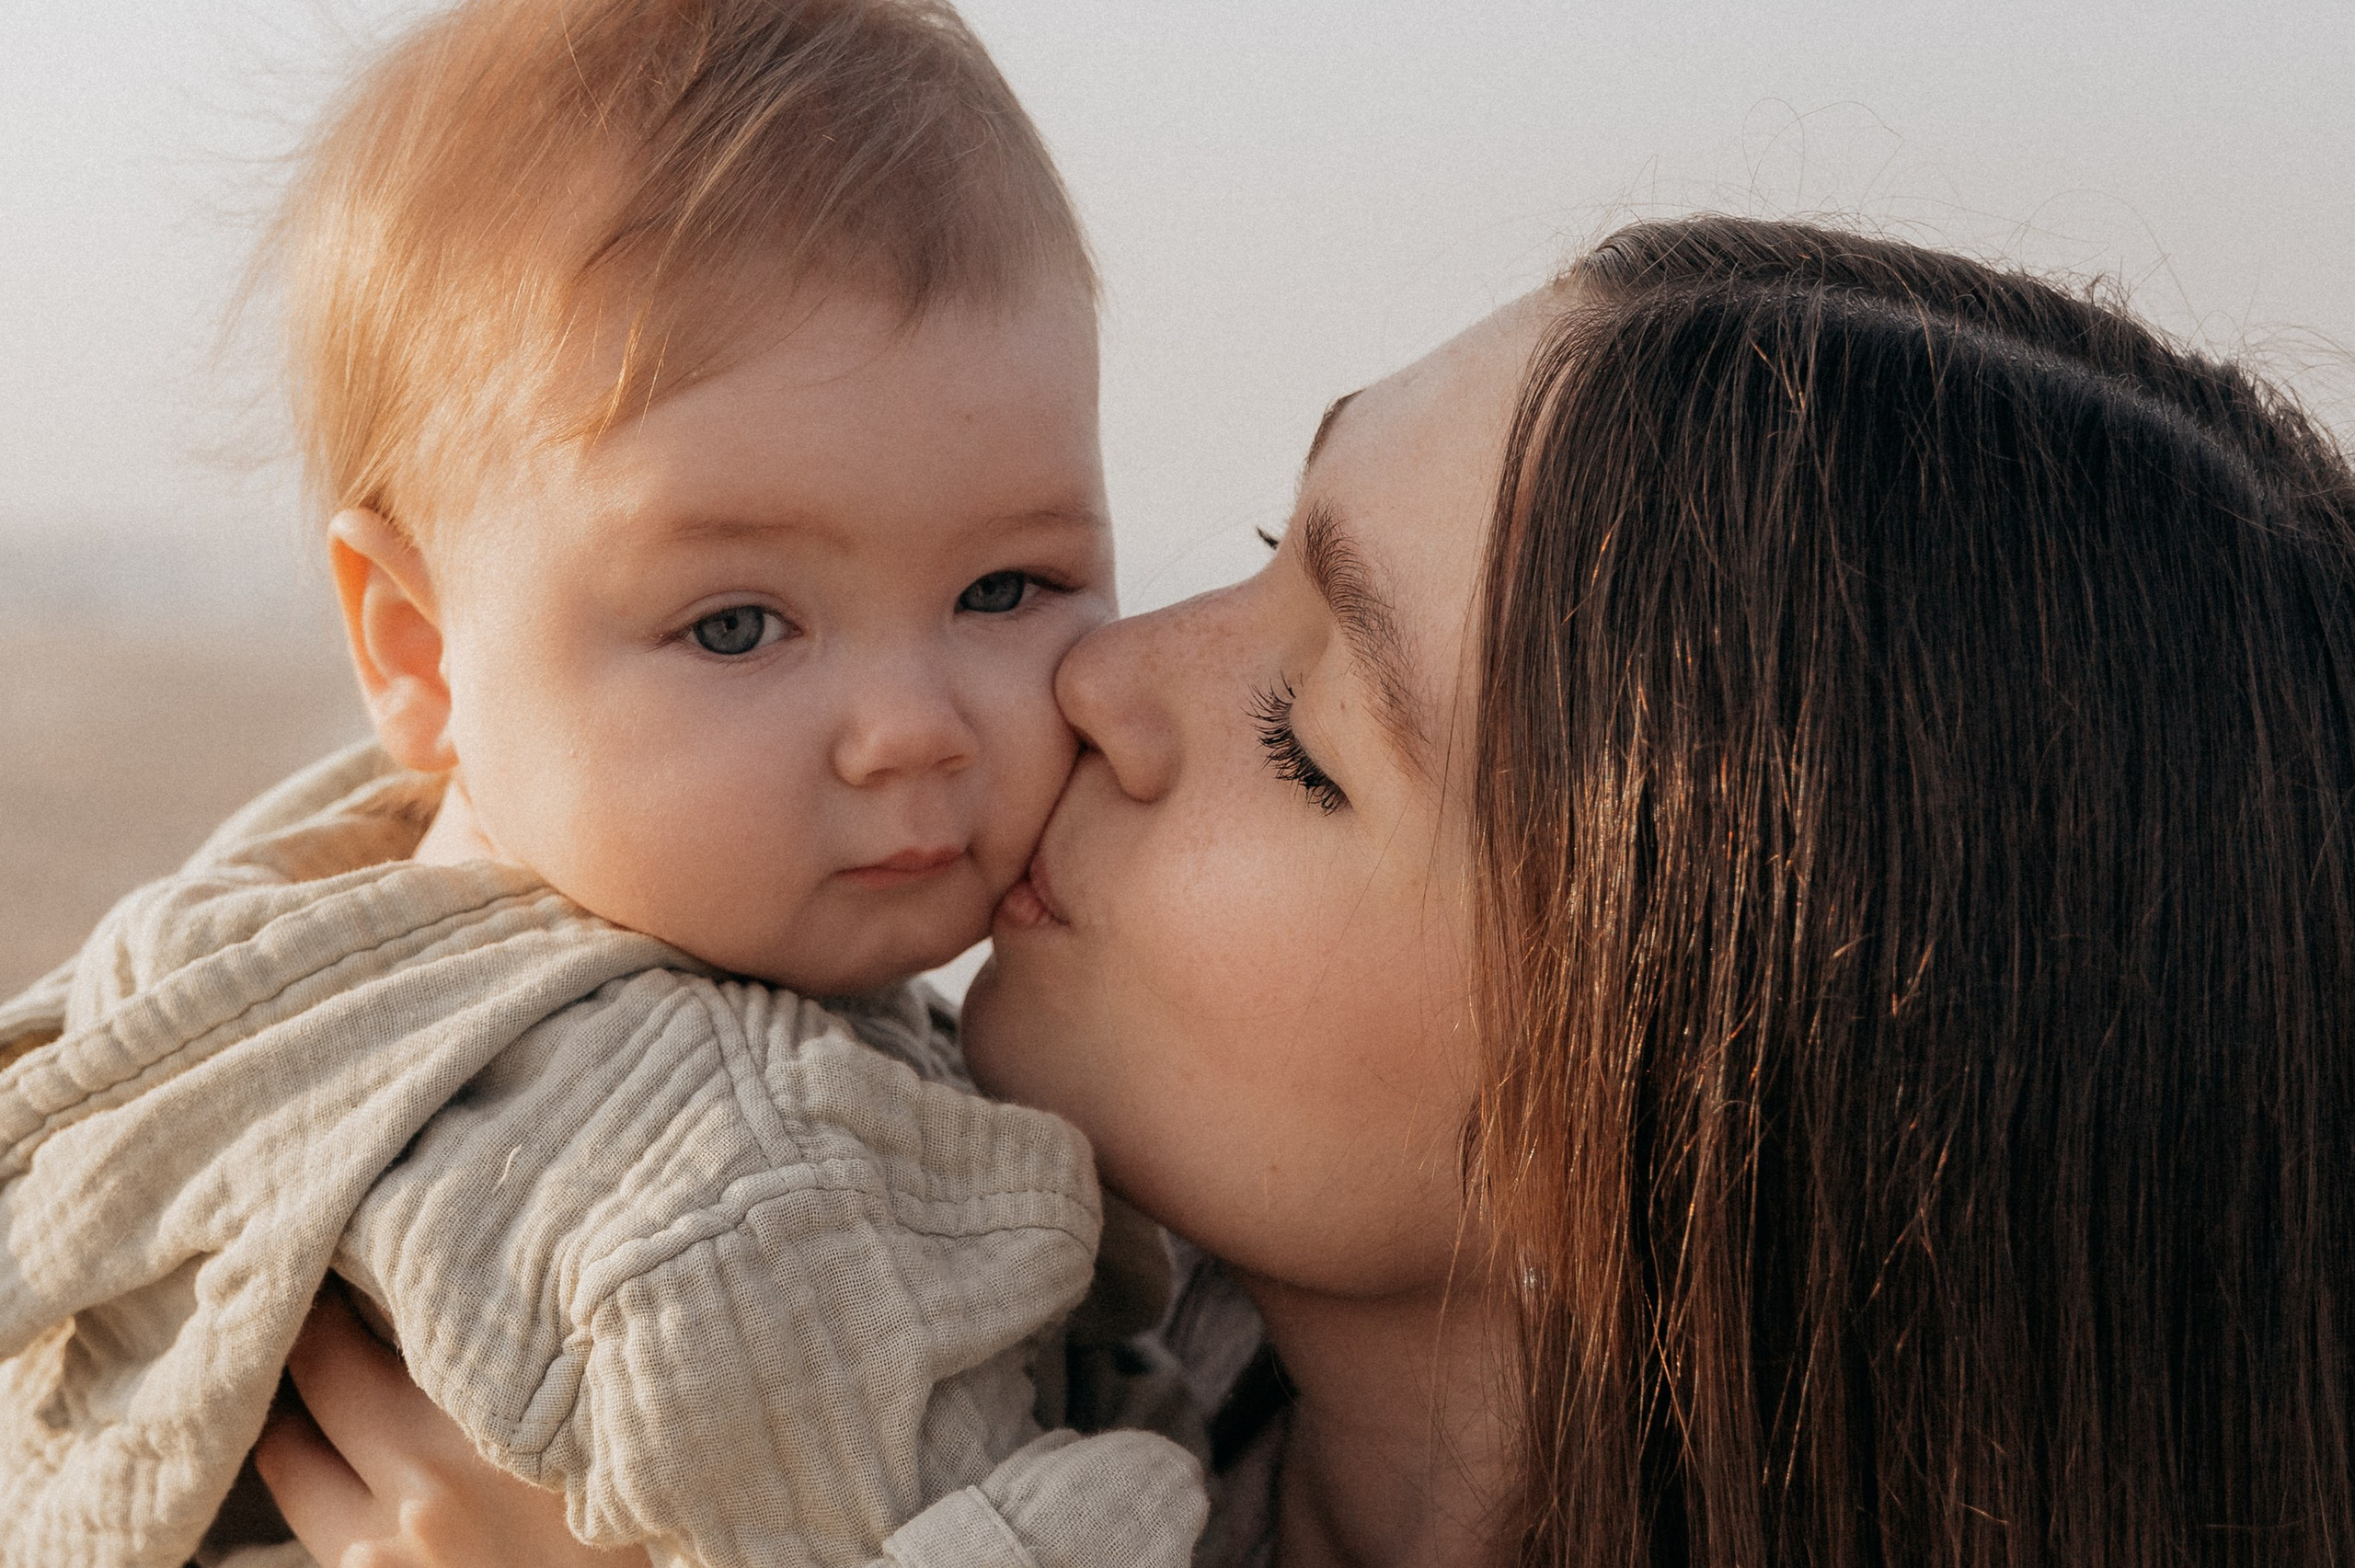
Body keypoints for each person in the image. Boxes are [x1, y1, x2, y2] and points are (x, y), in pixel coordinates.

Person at [264, 215, 2355, 1568]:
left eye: (1307, 737)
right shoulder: (873, 1295)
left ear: (1715, 1129)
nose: (1093, 672)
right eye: (1267, 537)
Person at [0, 0, 1211, 1564]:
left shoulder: (254, 953)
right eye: (735, 625)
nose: (914, 727)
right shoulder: (747, 1196)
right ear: (423, 650)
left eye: (1007, 589)